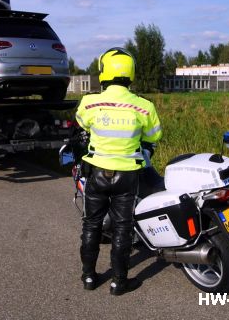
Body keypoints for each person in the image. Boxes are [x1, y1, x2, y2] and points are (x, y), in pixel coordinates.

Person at [75, 47, 162, 295]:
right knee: (124, 228)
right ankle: (118, 282)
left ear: (104, 71)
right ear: (130, 72)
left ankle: (89, 278)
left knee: (91, 225)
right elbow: (154, 135)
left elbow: (81, 124)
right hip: (127, 175)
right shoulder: (144, 106)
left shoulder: (89, 102)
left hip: (97, 172)